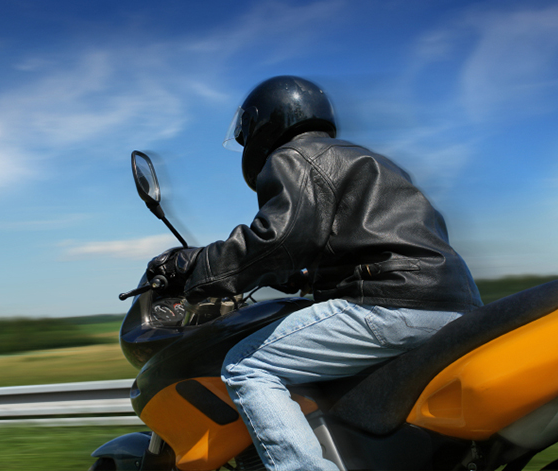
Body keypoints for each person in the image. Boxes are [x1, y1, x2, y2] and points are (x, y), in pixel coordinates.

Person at [146, 76, 482, 471]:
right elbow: (372, 240)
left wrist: (192, 265)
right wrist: (301, 278)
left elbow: (275, 240)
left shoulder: (293, 156)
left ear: (262, 125)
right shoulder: (372, 161)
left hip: (389, 303)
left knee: (245, 366)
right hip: (453, 304)